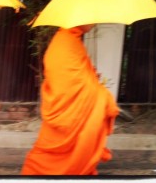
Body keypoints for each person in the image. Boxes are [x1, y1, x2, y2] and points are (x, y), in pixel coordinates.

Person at [21, 24, 119, 175]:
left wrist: (91, 79)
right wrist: (97, 91)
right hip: (68, 114)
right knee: (47, 160)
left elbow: (75, 77)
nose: (93, 23)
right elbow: (67, 85)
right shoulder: (67, 42)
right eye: (91, 19)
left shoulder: (67, 40)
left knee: (50, 156)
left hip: (68, 110)